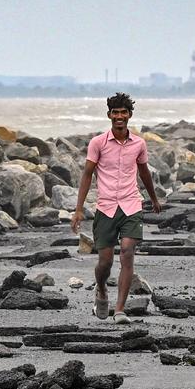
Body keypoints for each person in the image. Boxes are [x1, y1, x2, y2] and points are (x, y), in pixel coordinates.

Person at [70, 92, 162, 325]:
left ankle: (120, 310)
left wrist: (153, 198)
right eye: (115, 112)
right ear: (109, 115)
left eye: (123, 112)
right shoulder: (98, 143)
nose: (119, 116)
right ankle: (101, 289)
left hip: (131, 205)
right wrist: (78, 209)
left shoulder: (139, 143)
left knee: (128, 252)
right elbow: (87, 175)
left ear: (129, 115)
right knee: (105, 262)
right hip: (106, 207)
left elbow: (144, 173)